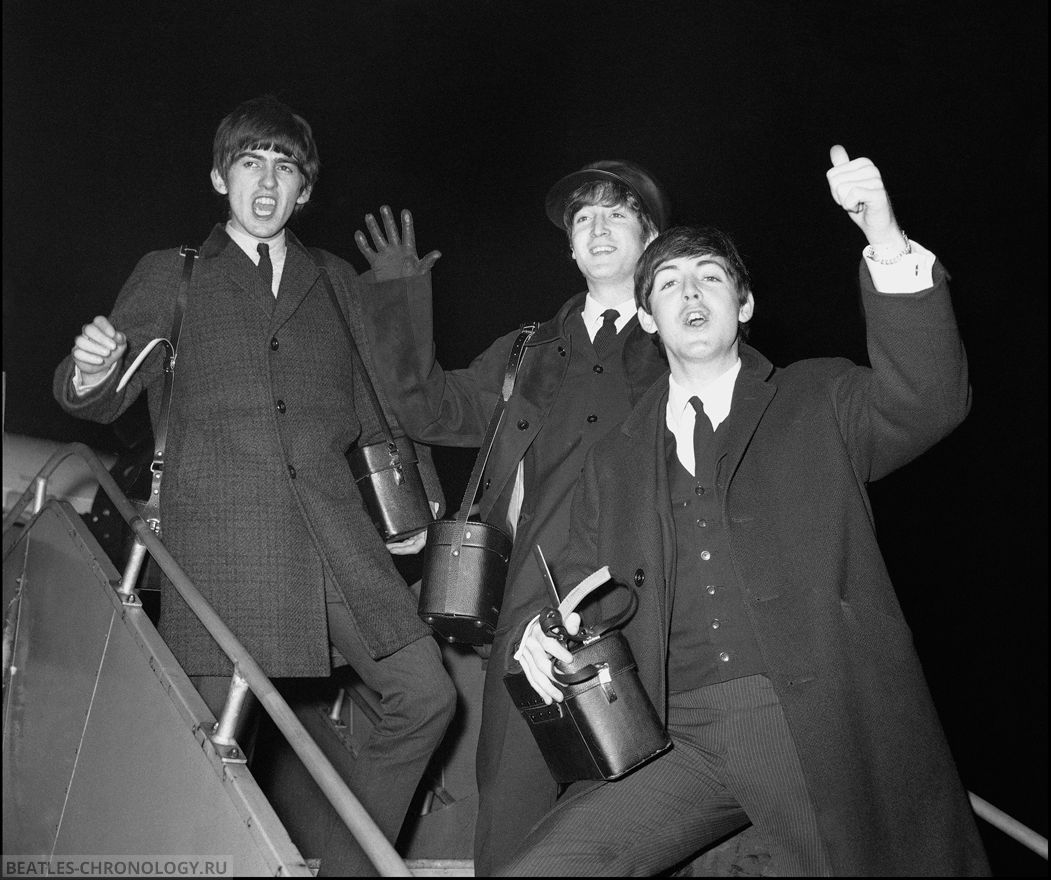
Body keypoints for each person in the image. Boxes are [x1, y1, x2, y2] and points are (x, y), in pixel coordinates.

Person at [507, 146, 990, 876]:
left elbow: (929, 398)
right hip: (676, 733)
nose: (690, 293)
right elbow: (575, 577)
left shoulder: (818, 398)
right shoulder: (615, 457)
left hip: (811, 722)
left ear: (745, 302)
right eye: (667, 282)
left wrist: (883, 241)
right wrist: (542, 629)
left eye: (710, 276)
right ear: (646, 314)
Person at [53, 96, 456, 876]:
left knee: (426, 693)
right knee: (207, 749)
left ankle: (347, 867)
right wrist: (91, 368)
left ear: (304, 190)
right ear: (218, 176)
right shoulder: (175, 272)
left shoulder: (335, 279)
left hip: (334, 537)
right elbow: (100, 391)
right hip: (224, 541)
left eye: (285, 167)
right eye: (249, 163)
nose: (267, 184)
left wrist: (420, 500)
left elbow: (379, 402)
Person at [354, 161, 672, 872]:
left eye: (616, 213)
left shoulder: (679, 345)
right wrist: (400, 296)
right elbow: (425, 406)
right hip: (526, 622)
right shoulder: (527, 349)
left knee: (639, 825)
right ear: (567, 244)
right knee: (511, 819)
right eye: (582, 217)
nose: (595, 227)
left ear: (650, 237)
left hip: (646, 612)